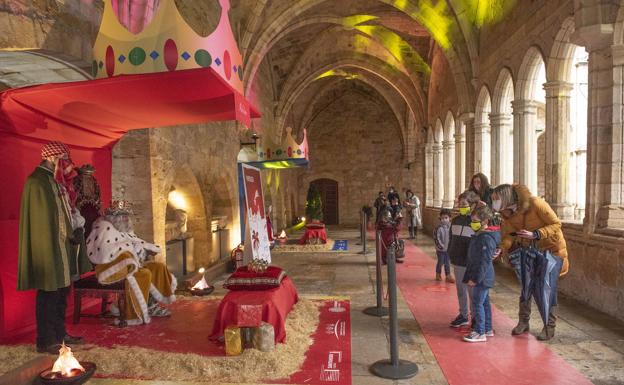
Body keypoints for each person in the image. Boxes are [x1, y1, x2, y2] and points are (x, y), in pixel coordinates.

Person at [18, 142, 92, 354]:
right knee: (48, 292)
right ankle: (45, 339)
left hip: (62, 245)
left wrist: (76, 224)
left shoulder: (55, 180)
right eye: (63, 158)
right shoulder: (37, 183)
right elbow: (43, 220)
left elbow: (64, 211)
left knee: (61, 292)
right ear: (52, 158)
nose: (67, 164)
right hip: (48, 247)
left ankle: (60, 335)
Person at [492, 184, 569, 340]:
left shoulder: (535, 203)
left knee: (546, 289)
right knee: (526, 287)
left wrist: (536, 234)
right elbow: (509, 235)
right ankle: (523, 322)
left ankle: (549, 327)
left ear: (506, 198)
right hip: (529, 251)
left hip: (551, 251)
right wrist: (501, 248)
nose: (494, 202)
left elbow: (556, 224)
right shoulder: (506, 213)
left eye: (496, 199)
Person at [86, 200, 177, 325]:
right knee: (143, 274)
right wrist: (130, 251)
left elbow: (136, 243)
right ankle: (133, 312)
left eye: (126, 216)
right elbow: (104, 251)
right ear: (113, 217)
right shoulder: (103, 227)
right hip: (113, 267)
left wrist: (146, 249)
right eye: (122, 216)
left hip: (131, 263)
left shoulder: (124, 229)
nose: (125, 219)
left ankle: (150, 305)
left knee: (157, 267)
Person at [462, 205, 501, 343]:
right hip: (483, 276)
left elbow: (484, 262)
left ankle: (479, 331)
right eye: (472, 220)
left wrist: (475, 278)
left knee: (477, 303)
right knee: (484, 303)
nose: (473, 223)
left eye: (475, 220)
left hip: (482, 277)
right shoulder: (481, 235)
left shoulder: (486, 238)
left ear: (485, 221)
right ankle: (487, 328)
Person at [448, 190, 481, 328]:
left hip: (471, 262)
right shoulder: (455, 221)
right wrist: (450, 253)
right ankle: (463, 315)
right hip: (458, 260)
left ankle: (475, 318)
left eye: (464, 204)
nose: (461, 206)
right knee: (460, 290)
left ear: (472, 205)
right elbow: (451, 239)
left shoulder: (475, 222)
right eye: (460, 204)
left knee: (472, 292)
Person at [377, 197, 403, 264]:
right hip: (387, 238)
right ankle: (386, 259)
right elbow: (396, 228)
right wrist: (399, 220)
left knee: (397, 242)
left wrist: (396, 220)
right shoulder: (384, 224)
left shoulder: (386, 213)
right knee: (389, 246)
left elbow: (392, 223)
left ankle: (394, 258)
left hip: (390, 236)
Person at [433, 209, 454, 283]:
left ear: (450, 218)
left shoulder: (451, 227)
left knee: (447, 262)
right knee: (440, 262)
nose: (444, 220)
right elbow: (436, 239)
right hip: (440, 250)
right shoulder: (438, 228)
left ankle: (448, 275)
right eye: (442, 218)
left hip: (448, 249)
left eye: (446, 218)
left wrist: (451, 247)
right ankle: (438, 274)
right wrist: (441, 247)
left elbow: (452, 238)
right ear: (440, 218)